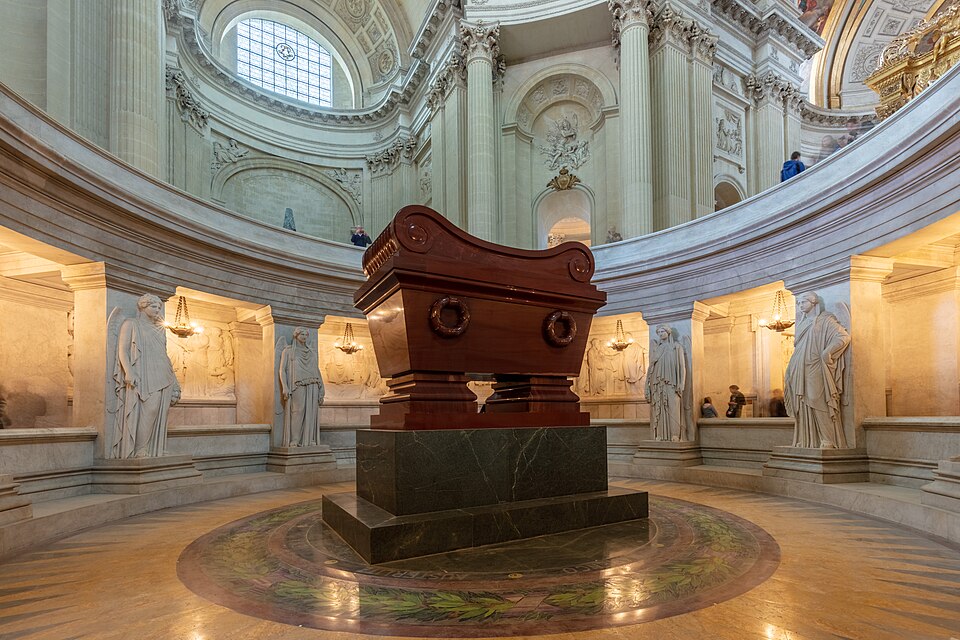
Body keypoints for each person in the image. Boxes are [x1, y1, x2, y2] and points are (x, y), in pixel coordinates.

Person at [112, 294, 181, 458]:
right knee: (150, 409)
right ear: (143, 307)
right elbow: (122, 349)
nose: (157, 310)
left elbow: (164, 354)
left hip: (163, 372)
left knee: (161, 413)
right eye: (153, 307)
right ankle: (140, 449)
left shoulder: (160, 329)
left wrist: (175, 379)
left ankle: (157, 448)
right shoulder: (131, 324)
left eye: (159, 307)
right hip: (144, 372)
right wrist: (129, 370)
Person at [784, 291, 851, 448]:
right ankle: (808, 440)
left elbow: (843, 337)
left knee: (817, 400)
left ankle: (828, 439)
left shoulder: (825, 320)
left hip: (815, 366)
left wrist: (827, 352)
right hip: (798, 369)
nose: (800, 305)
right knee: (802, 404)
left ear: (814, 302)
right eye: (798, 303)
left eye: (803, 302)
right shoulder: (802, 323)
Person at [279, 327, 325, 447]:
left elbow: (317, 370)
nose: (304, 336)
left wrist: (322, 389)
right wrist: (285, 387)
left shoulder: (311, 352)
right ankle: (295, 439)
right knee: (297, 411)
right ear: (296, 335)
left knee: (311, 411)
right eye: (302, 334)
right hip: (297, 384)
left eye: (306, 334)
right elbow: (282, 370)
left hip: (313, 384)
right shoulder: (288, 351)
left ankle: (309, 440)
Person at [645, 324, 687, 441]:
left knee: (673, 407)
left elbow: (681, 366)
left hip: (672, 382)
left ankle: (675, 434)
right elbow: (651, 367)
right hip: (657, 383)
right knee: (660, 407)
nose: (660, 334)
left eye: (662, 331)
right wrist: (648, 384)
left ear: (668, 332)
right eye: (658, 332)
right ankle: (660, 434)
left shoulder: (676, 347)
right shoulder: (657, 348)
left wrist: (681, 383)